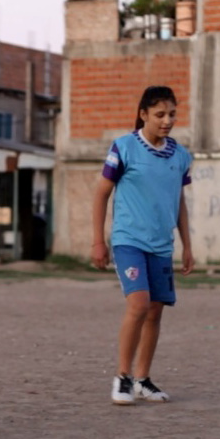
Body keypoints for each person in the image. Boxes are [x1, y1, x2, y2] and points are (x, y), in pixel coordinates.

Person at [91, 85, 194, 406]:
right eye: (160, 114)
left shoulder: (180, 155)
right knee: (138, 305)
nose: (167, 120)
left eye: (172, 114)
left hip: (161, 246)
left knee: (155, 312)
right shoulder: (123, 148)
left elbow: (179, 201)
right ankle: (122, 377)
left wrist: (187, 245)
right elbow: (101, 193)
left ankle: (142, 379)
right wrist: (98, 240)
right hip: (128, 241)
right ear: (143, 115)